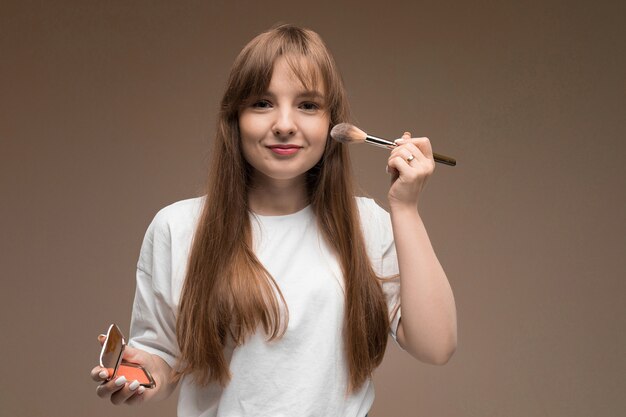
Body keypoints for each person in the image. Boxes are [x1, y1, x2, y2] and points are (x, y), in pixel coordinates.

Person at [90, 23, 457, 416]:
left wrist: (405, 207)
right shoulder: (177, 228)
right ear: (235, 118)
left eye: (308, 105)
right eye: (262, 103)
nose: (284, 124)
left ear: (334, 124)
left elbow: (436, 346)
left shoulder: (368, 225)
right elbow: (162, 355)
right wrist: (144, 373)